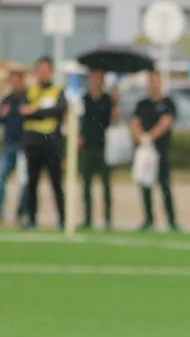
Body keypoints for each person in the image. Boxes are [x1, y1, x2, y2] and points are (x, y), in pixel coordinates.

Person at [20, 56, 67, 230]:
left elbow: (60, 109)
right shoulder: (30, 91)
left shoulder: (57, 90)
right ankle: (31, 218)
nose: (43, 73)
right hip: (33, 144)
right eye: (40, 70)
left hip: (52, 144)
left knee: (57, 183)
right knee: (32, 184)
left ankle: (62, 219)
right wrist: (41, 112)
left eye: (46, 70)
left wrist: (36, 110)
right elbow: (24, 111)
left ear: (52, 72)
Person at [130, 71, 176, 232]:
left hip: (161, 150)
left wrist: (151, 136)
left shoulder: (168, 102)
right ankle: (149, 219)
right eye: (151, 82)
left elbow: (166, 122)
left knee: (165, 185)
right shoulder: (142, 104)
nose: (154, 85)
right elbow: (135, 121)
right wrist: (141, 137)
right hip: (146, 152)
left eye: (156, 81)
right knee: (145, 185)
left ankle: (172, 220)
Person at [80, 69, 117, 231]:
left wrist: (117, 103)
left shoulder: (108, 100)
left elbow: (115, 121)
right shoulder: (84, 99)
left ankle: (108, 219)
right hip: (87, 146)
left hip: (104, 147)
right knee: (86, 184)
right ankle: (88, 218)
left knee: (106, 184)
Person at [0, 69, 29, 224]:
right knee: (0, 177)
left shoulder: (28, 98)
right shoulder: (6, 100)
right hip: (9, 144)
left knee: (24, 181)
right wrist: (1, 115)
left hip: (25, 145)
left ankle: (22, 211)